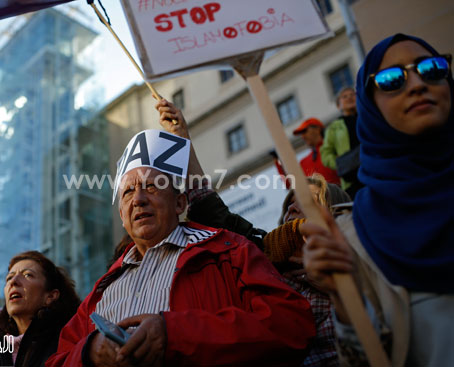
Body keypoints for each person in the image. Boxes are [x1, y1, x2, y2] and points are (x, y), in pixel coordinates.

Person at [46, 132, 316, 367]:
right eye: (128, 192)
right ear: (121, 215)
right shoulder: (99, 293)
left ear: (179, 203)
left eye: (151, 186)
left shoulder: (231, 252)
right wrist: (88, 353)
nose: (138, 199)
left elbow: (292, 325)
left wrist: (175, 334)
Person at [157, 99, 353, 366]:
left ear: (335, 213)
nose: (293, 206)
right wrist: (183, 140)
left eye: (309, 201)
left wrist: (341, 288)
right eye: (289, 203)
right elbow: (209, 209)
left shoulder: (364, 262)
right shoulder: (265, 260)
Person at [301, 34, 454, 366]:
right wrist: (345, 300)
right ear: (370, 105)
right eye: (391, 80)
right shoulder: (353, 237)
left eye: (432, 68)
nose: (416, 84)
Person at [0, 251, 80, 367]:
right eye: (9, 277)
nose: (13, 282)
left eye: (27, 275)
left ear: (50, 296)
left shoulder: (68, 344)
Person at [320, 86, 364, 198]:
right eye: (344, 96)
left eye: (352, 94)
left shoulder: (367, 117)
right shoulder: (333, 128)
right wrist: (340, 163)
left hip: (376, 168)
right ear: (338, 105)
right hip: (352, 180)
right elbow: (325, 153)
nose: (349, 97)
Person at [275, 118, 340, 186]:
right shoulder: (304, 162)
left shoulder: (334, 149)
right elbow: (290, 184)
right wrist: (278, 161)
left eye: (305, 131)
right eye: (301, 134)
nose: (303, 136)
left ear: (318, 129)